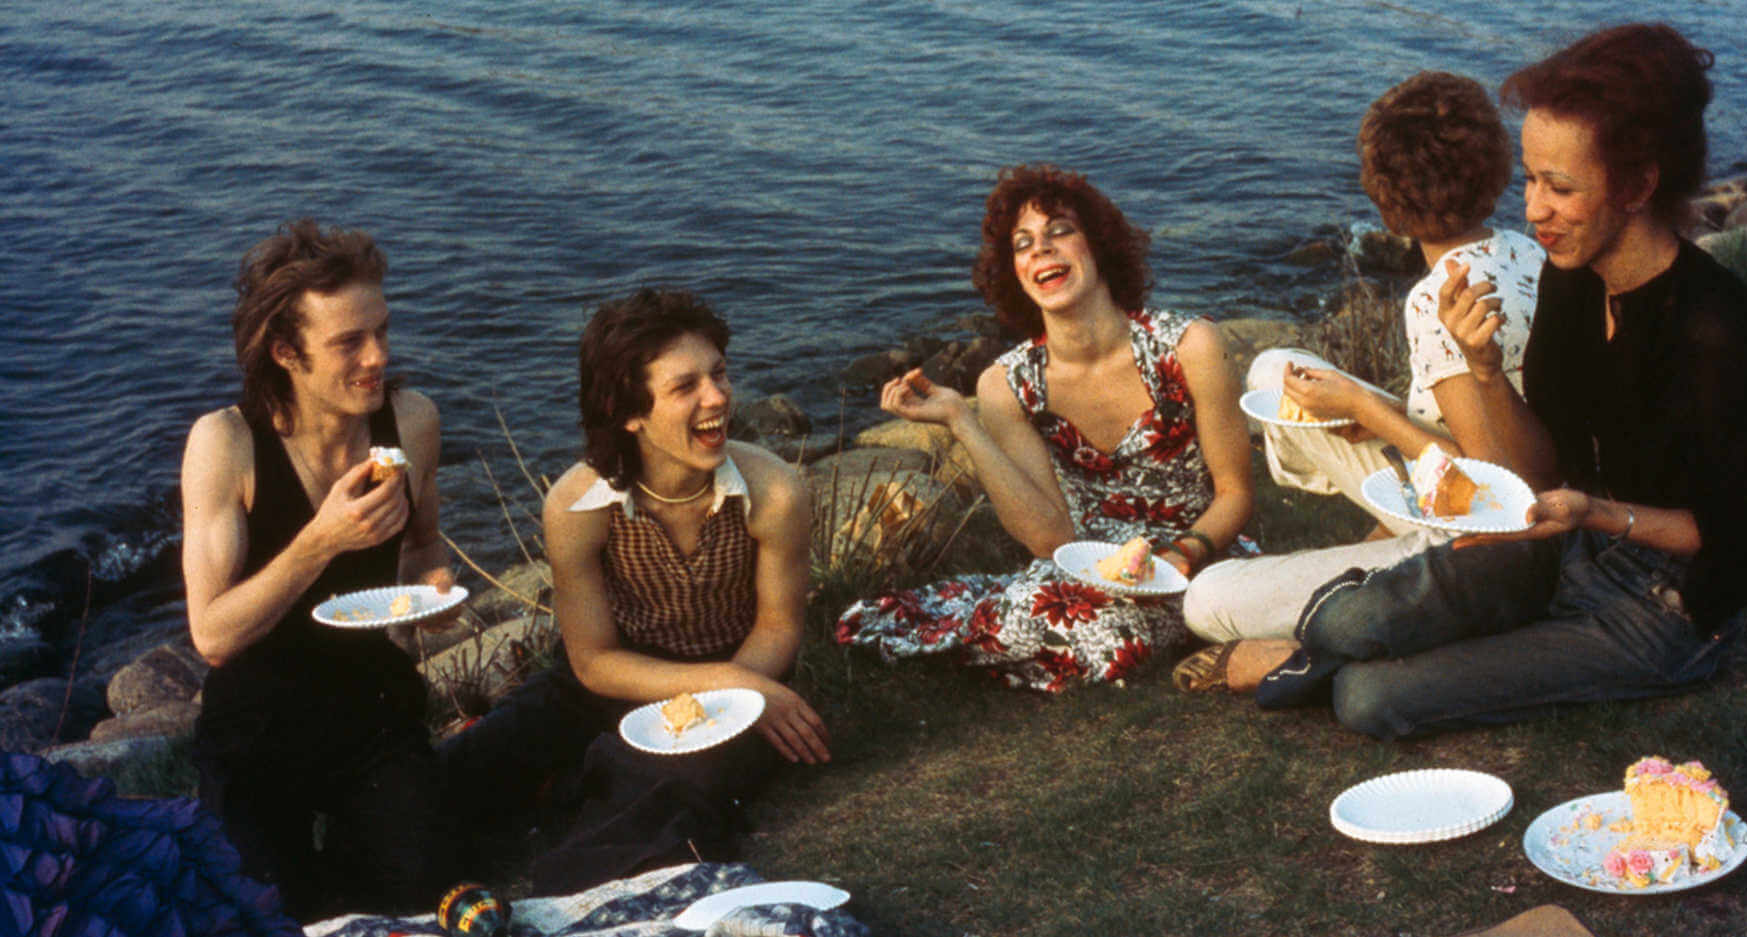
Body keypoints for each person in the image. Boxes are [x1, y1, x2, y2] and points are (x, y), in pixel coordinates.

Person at [1249, 23, 1747, 738]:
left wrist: (1596, 512)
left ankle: (1332, 654)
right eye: (1530, 178)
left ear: (1638, 185)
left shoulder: (1716, 327)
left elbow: (1744, 549)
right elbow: (1533, 472)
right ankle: (1337, 638)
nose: (1532, 211)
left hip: (1669, 606)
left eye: (1560, 187)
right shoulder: (1570, 281)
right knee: (1351, 618)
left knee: (1369, 698)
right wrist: (1486, 371)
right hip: (1569, 547)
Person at [438, 288, 828, 895]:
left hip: (741, 675)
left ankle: (569, 887)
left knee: (667, 787)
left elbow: (778, 628)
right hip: (617, 679)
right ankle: (572, 778)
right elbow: (593, 661)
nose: (718, 397)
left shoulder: (772, 492)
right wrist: (733, 686)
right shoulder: (577, 504)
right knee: (462, 773)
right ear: (628, 412)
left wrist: (738, 691)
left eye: (719, 374)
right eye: (686, 387)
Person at [1177, 71, 1548, 689]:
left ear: (1387, 202)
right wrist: (1366, 412)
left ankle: (1343, 608)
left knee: (1206, 599)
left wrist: (1365, 409)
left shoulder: (1437, 300)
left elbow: (1493, 492)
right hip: (1489, 481)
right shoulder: (1523, 249)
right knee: (1276, 370)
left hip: (1481, 535)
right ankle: (1377, 541)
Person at [835, 164, 1255, 691]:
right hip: (1084, 571)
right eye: (1023, 243)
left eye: (1061, 231)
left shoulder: (1191, 346)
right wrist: (963, 423)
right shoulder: (1005, 384)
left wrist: (1183, 554)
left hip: (1199, 555)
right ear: (1013, 271)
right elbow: (1049, 537)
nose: (1042, 251)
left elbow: (1237, 492)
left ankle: (997, 645)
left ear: (1099, 246)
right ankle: (1009, 633)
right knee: (1048, 611)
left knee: (1097, 635)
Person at [180, 220, 458, 917]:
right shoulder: (227, 444)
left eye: (383, 332)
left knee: (427, 895)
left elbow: (425, 547)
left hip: (371, 704)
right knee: (268, 911)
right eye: (348, 343)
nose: (378, 357)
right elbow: (212, 635)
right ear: (285, 352)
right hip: (257, 727)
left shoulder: (412, 421)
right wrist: (321, 539)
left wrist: (438, 590)